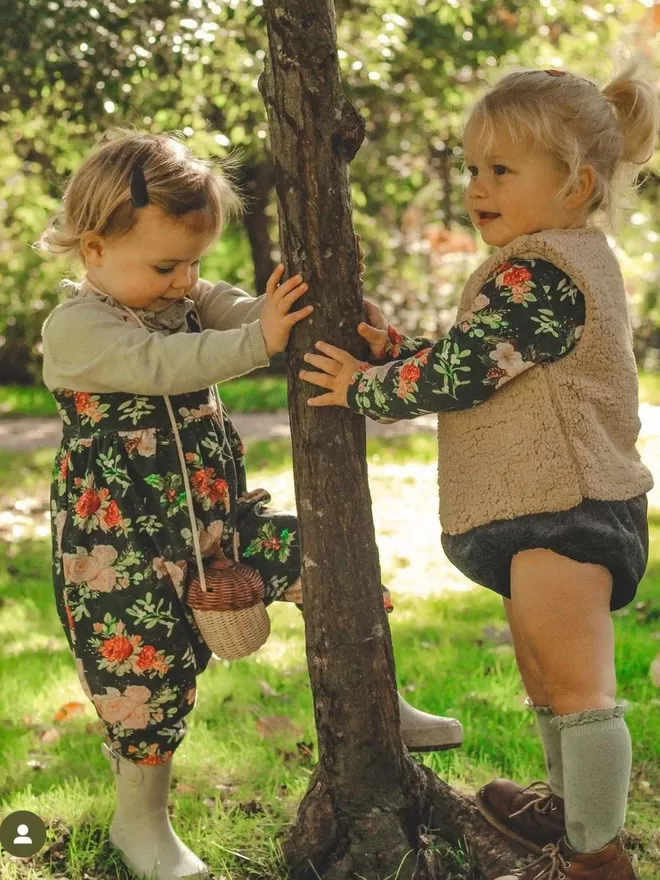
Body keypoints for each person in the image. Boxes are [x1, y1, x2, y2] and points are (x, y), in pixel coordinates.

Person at [39, 130, 461, 880]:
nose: (183, 280)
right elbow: (163, 366)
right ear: (95, 248)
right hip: (120, 549)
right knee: (142, 683)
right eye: (166, 264)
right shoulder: (76, 329)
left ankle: (381, 704)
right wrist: (259, 341)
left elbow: (227, 307)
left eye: (194, 261)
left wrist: (285, 311)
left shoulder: (178, 295)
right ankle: (143, 825)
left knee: (326, 560)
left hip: (217, 523)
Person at [300, 64, 658, 880]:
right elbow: (492, 363)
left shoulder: (548, 273)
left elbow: (467, 370)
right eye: (471, 168)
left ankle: (596, 856)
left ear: (578, 184)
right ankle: (566, 810)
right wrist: (404, 355)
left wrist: (366, 387)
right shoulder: (547, 263)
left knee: (578, 687)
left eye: (502, 170)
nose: (477, 187)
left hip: (567, 507)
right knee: (545, 676)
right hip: (547, 507)